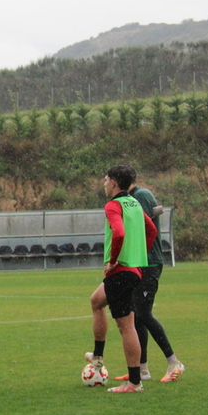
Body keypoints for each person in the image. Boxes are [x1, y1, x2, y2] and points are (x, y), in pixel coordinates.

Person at [84, 164, 158, 393]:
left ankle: (134, 382)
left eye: (106, 180)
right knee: (96, 301)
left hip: (121, 272)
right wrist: (138, 255)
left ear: (114, 182)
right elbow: (152, 230)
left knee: (126, 326)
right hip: (133, 270)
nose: (104, 183)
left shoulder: (113, 206)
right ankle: (97, 356)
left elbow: (119, 232)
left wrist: (114, 259)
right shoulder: (134, 203)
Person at [122, 177, 184, 382]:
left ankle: (174, 362)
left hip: (149, 263)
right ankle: (142, 369)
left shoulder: (142, 195)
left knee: (143, 313)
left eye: (107, 179)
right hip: (138, 263)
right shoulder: (132, 197)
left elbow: (145, 226)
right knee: (136, 316)